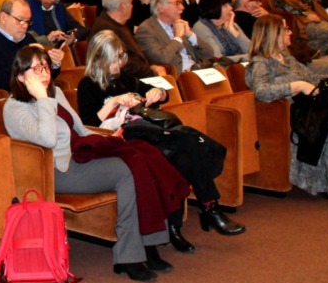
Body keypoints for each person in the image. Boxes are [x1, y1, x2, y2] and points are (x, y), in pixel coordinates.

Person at [3, 44, 187, 281]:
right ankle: (129, 256)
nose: (45, 74)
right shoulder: (14, 108)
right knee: (127, 171)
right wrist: (42, 99)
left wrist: (109, 140)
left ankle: (148, 245)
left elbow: (80, 129)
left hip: (80, 155)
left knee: (142, 158)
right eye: (36, 69)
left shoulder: (55, 93)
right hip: (57, 170)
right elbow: (47, 139)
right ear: (20, 76)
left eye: (46, 67)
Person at [76, 31, 244, 247]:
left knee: (183, 161)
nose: (119, 63)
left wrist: (158, 93)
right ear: (99, 58)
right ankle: (209, 208)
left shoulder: (124, 78)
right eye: (115, 58)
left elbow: (161, 92)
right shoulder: (87, 85)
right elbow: (90, 125)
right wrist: (115, 102)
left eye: (121, 57)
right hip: (120, 141)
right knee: (188, 144)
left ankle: (179, 225)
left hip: (144, 134)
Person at [247, 14, 328, 198]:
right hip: (293, 111)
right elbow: (261, 91)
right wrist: (296, 86)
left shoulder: (287, 58)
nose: (290, 32)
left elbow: (313, 79)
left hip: (310, 106)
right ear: (273, 33)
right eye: (285, 29)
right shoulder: (260, 62)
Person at [192, 0, 251, 64]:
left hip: (239, 65)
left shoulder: (232, 24)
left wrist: (235, 33)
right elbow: (217, 58)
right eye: (225, 6)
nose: (231, 8)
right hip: (220, 68)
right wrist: (249, 57)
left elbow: (251, 49)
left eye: (229, 4)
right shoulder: (201, 27)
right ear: (214, 8)